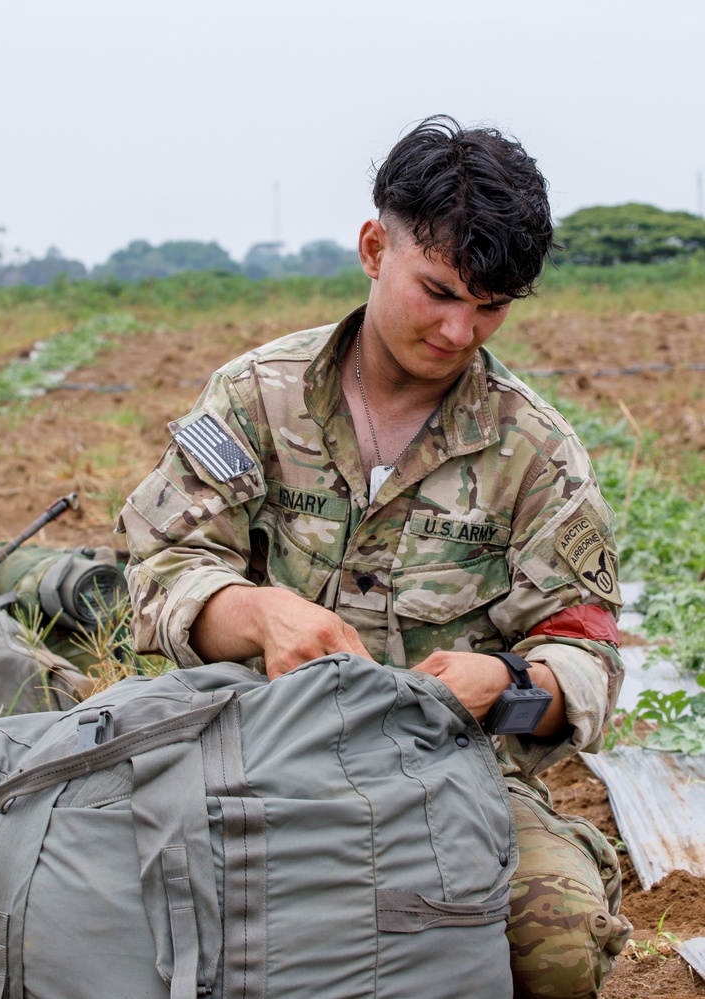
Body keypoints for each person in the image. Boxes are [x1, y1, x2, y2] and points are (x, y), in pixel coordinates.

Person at [117, 115, 632, 997]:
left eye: (492, 306)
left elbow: (586, 655)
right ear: (372, 248)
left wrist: (507, 682)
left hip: (446, 781)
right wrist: (261, 613)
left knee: (559, 947)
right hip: (249, 756)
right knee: (116, 914)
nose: (459, 332)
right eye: (437, 291)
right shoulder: (255, 398)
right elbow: (162, 569)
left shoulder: (535, 451)